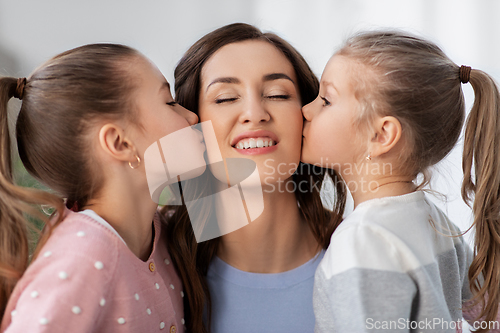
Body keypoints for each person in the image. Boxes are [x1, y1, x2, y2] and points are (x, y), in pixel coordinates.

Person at [302, 30, 500, 332]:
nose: (306, 110)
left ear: (381, 135)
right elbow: (491, 314)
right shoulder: (439, 225)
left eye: (325, 100)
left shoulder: (362, 241)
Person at [0, 43, 200, 332]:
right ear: (120, 143)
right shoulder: (78, 261)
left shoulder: (163, 229)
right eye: (169, 102)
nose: (193, 117)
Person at [162, 23, 346, 333]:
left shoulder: (364, 251)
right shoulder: (155, 254)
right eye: (224, 98)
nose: (254, 112)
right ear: (193, 127)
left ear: (308, 115)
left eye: (277, 94)